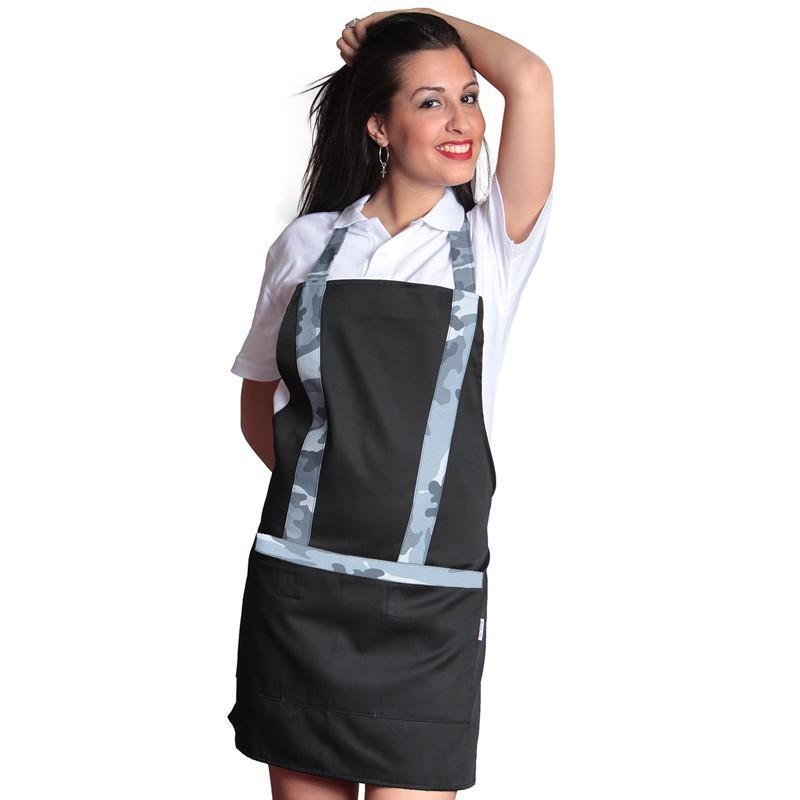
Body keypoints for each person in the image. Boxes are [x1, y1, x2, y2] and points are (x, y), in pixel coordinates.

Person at [227, 9, 554, 799]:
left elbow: (531, 78)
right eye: (431, 101)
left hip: (430, 602)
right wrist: (335, 487)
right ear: (379, 124)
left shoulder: (491, 243)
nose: (463, 121)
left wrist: (417, 20)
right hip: (303, 587)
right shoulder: (307, 246)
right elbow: (258, 401)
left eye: (469, 98)